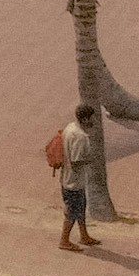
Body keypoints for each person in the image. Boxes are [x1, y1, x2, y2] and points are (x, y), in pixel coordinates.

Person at [52, 102, 108, 249]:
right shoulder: (81, 137)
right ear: (84, 119)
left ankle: (84, 236)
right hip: (73, 183)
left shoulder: (70, 127)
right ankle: (64, 240)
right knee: (72, 212)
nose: (94, 122)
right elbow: (76, 161)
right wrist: (90, 160)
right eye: (92, 118)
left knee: (81, 208)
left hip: (69, 179)